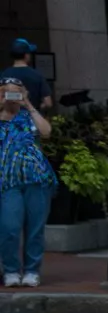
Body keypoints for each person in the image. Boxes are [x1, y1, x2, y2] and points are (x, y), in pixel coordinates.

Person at [0, 78, 55, 288]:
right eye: (8, 92)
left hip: (36, 179)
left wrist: (29, 105)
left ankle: (32, 270)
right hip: (8, 182)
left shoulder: (29, 116)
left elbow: (46, 132)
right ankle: (11, 269)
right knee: (9, 228)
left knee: (35, 229)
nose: (12, 97)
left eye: (16, 93)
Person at [0, 39, 52, 111]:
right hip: (31, 119)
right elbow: (48, 103)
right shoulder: (37, 75)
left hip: (9, 119)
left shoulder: (3, 75)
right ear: (26, 55)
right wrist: (35, 109)